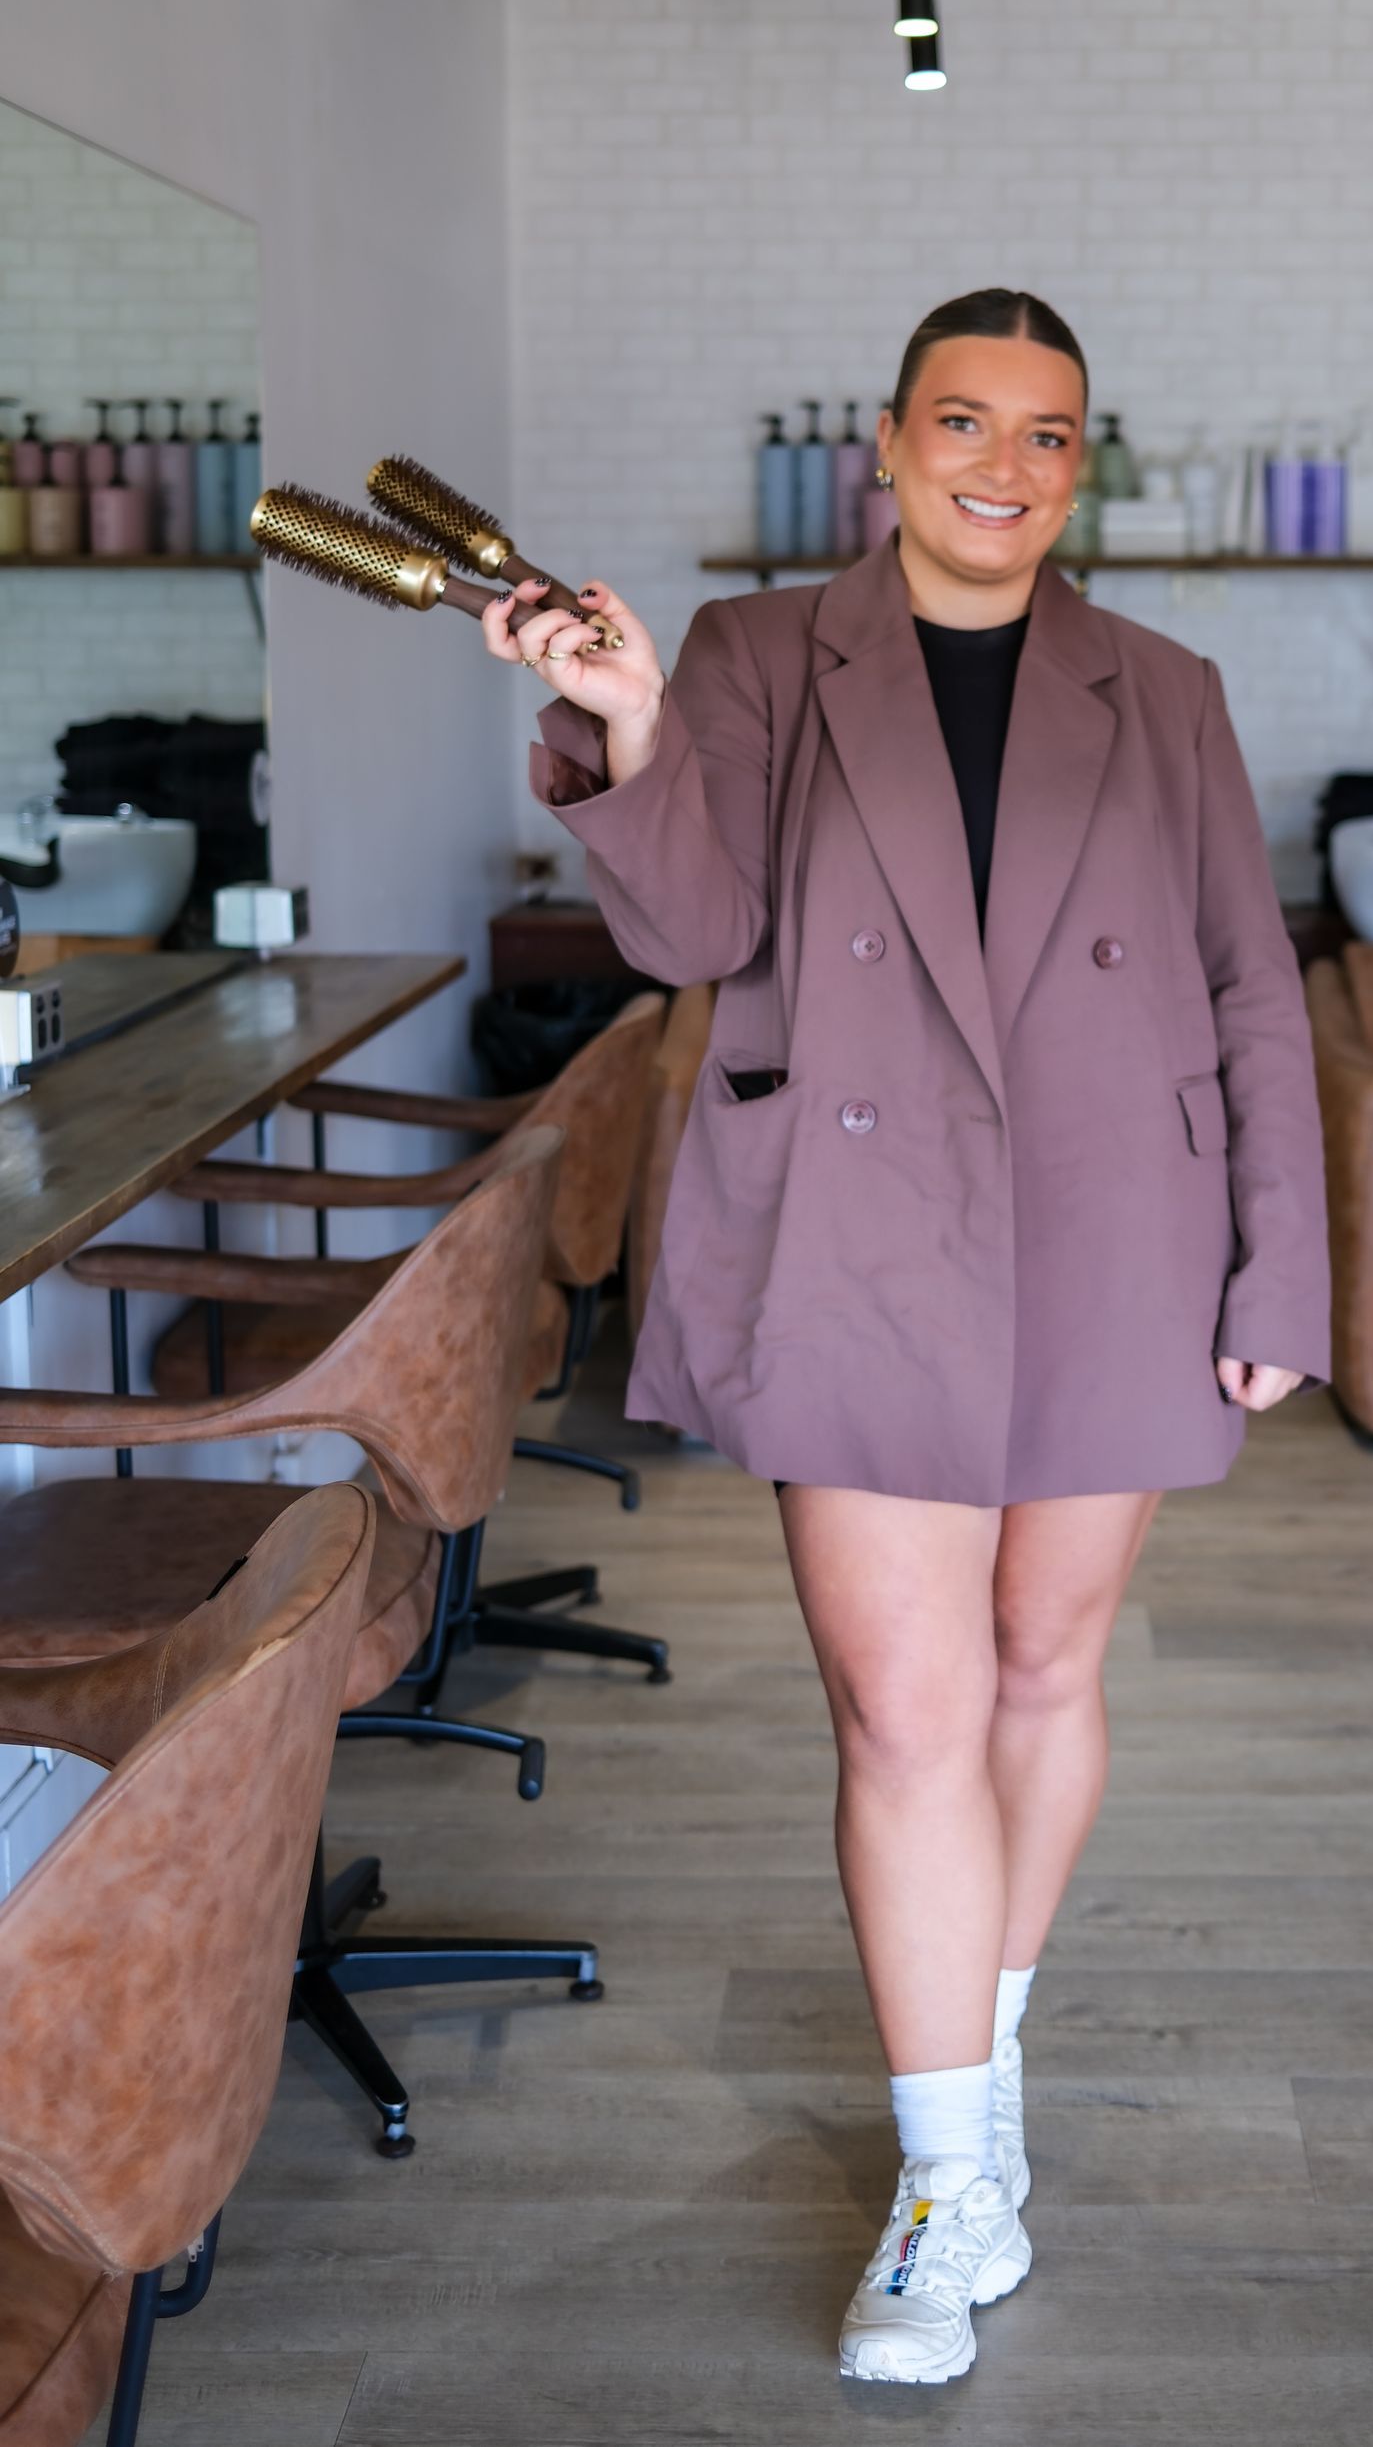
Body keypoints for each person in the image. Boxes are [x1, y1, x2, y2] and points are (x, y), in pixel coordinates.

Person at [486, 287, 1330, 2386]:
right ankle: (946, 2178)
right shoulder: (768, 650)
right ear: (888, 443)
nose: (1004, 465)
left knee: (1045, 1662)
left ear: (1080, 464)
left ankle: (988, 2052)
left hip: (1115, 1226)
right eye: (965, 421)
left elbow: (1248, 983)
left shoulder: (1169, 687)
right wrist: (634, 721)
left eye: (1049, 435)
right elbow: (688, 935)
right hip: (856, 1227)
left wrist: (1281, 1269)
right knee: (903, 1706)